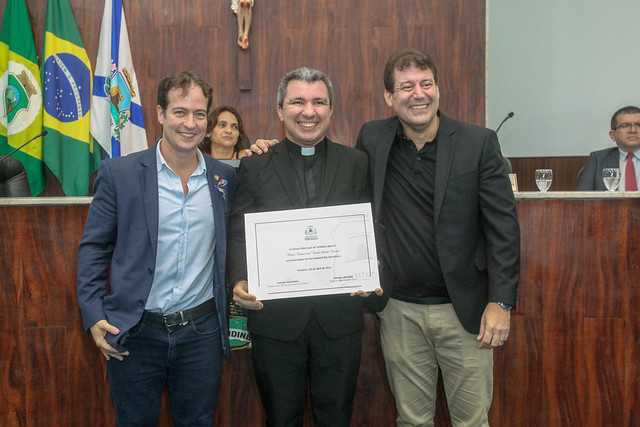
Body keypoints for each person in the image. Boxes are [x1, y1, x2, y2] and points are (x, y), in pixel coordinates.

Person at [355, 48, 520, 426]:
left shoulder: (477, 143)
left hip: (466, 313)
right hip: (398, 311)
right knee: (411, 421)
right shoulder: (372, 138)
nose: (419, 94)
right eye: (407, 86)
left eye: (426, 83)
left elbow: (504, 230)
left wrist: (501, 303)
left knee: (471, 421)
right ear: (389, 97)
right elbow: (352, 201)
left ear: (438, 89)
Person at [76, 71, 235, 426]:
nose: (189, 123)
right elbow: (94, 248)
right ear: (160, 114)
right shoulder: (120, 174)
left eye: (198, 114)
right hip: (135, 333)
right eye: (180, 112)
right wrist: (92, 313)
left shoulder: (225, 178)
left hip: (201, 333)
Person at [228, 66, 382, 427]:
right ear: (280, 110)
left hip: (339, 320)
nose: (308, 111)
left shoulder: (357, 163)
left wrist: (372, 266)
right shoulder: (255, 166)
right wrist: (238, 280)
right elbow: (238, 231)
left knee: (337, 418)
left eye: (318, 102)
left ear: (331, 110)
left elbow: (371, 228)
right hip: (276, 322)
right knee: (280, 419)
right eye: (297, 101)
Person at [576, 105, 640, 191]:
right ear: (613, 135)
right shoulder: (597, 160)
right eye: (625, 125)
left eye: (638, 125)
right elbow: (582, 197)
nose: (633, 130)